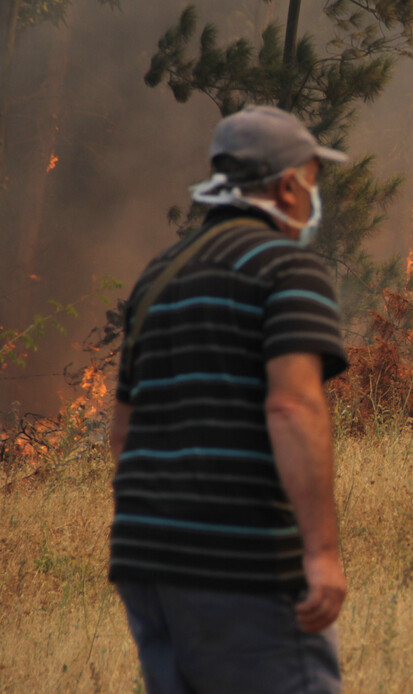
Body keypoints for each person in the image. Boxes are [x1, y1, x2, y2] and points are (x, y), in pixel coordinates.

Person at [109, 105, 351, 693]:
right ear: (289, 186)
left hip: (146, 563)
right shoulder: (287, 268)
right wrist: (320, 553)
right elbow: (292, 407)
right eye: (313, 182)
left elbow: (122, 432)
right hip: (239, 566)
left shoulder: (159, 274)